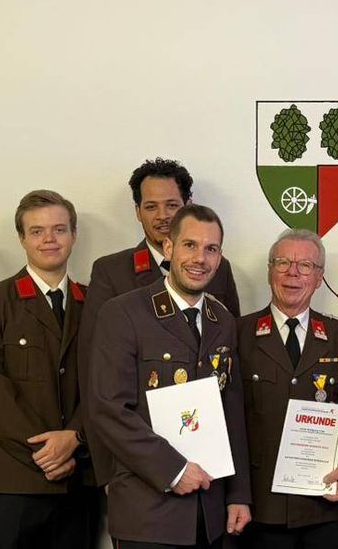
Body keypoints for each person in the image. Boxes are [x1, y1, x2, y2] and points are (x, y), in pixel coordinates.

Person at [89, 203, 251, 548]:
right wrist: (173, 470)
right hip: (148, 511)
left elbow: (231, 410)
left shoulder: (222, 321)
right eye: (190, 245)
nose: (200, 259)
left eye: (211, 249)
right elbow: (108, 409)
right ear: (168, 248)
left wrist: (239, 493)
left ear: (220, 257)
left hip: (210, 512)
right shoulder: (124, 313)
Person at [79, 157, 240, 486]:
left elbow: (227, 363)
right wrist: (108, 474)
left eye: (172, 205)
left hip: (207, 467)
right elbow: (94, 379)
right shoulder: (111, 272)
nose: (163, 216)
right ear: (137, 211)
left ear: (188, 205)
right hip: (137, 469)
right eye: (151, 206)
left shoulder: (217, 267)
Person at [0, 190, 96, 549]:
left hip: (77, 475)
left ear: (74, 234)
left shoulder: (96, 303)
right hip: (12, 477)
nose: (49, 239)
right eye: (37, 231)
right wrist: (46, 453)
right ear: (21, 238)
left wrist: (75, 439)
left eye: (59, 229)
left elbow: (106, 382)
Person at [237, 229, 338, 549]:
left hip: (324, 507)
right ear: (270, 271)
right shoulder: (238, 334)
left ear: (319, 277)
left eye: (305, 265)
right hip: (261, 508)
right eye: (283, 262)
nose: (293, 273)